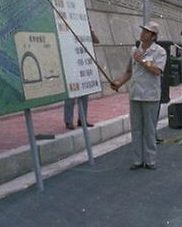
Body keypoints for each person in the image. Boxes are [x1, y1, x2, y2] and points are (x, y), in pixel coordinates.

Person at [110, 22, 167, 170]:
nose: (143, 33)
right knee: (136, 128)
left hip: (150, 95)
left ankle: (150, 160)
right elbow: (129, 71)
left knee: (149, 129)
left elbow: (157, 71)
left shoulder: (160, 52)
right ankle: (137, 160)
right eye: (143, 30)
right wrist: (119, 83)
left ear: (153, 36)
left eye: (147, 31)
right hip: (135, 94)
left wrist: (142, 60)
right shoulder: (134, 50)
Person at [64, 28, 99, 130]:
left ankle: (82, 119)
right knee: (71, 96)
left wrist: (91, 31)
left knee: (84, 96)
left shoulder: (86, 29)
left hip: (83, 66)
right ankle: (68, 121)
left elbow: (97, 41)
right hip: (71, 66)